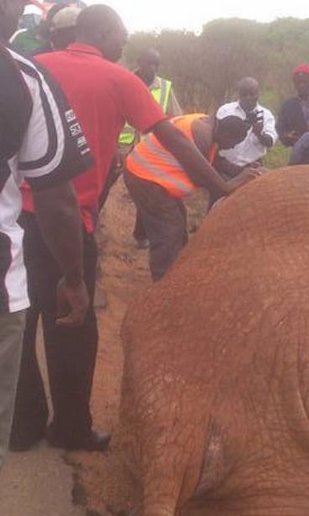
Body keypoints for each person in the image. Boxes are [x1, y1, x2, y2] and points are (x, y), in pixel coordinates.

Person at [12, 4, 243, 453]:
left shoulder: (33, 68)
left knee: (22, 319)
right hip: (68, 221)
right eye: (120, 35)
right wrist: (222, 185)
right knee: (73, 326)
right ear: (100, 33)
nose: (124, 45)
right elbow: (173, 137)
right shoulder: (120, 80)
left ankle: (23, 425)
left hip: (18, 218)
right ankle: (70, 428)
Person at [2, 0, 91, 468]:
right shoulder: (24, 76)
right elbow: (58, 196)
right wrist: (74, 278)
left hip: (26, 234)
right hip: (35, 241)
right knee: (43, 324)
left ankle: (25, 424)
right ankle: (54, 423)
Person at [124, 113, 261, 280]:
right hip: (147, 178)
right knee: (170, 231)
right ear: (226, 135)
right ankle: (163, 283)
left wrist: (242, 171)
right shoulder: (202, 135)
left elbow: (214, 161)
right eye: (233, 143)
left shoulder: (208, 126)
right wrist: (229, 186)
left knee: (177, 219)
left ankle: (148, 241)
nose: (232, 148)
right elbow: (202, 176)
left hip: (145, 170)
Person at [115, 47, 182, 248]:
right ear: (139, 62)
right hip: (121, 147)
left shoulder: (165, 87)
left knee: (147, 190)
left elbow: (175, 117)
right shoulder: (124, 82)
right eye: (149, 63)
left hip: (150, 149)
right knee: (105, 186)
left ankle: (141, 234)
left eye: (156, 64)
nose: (152, 68)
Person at [210, 77, 276, 208]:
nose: (248, 98)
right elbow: (216, 136)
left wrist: (260, 134)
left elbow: (270, 142)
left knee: (253, 206)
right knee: (218, 206)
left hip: (253, 169)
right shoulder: (225, 110)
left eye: (252, 94)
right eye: (244, 94)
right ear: (238, 94)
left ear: (258, 94)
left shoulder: (266, 115)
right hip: (225, 168)